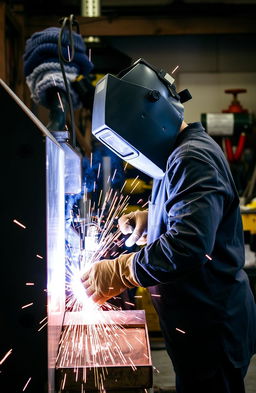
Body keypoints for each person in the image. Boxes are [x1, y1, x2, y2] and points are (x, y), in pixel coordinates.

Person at [82, 58, 256, 393]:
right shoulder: (175, 155)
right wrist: (151, 219)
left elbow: (189, 245)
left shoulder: (191, 157)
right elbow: (192, 213)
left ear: (149, 116)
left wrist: (121, 271)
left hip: (212, 325)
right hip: (197, 323)